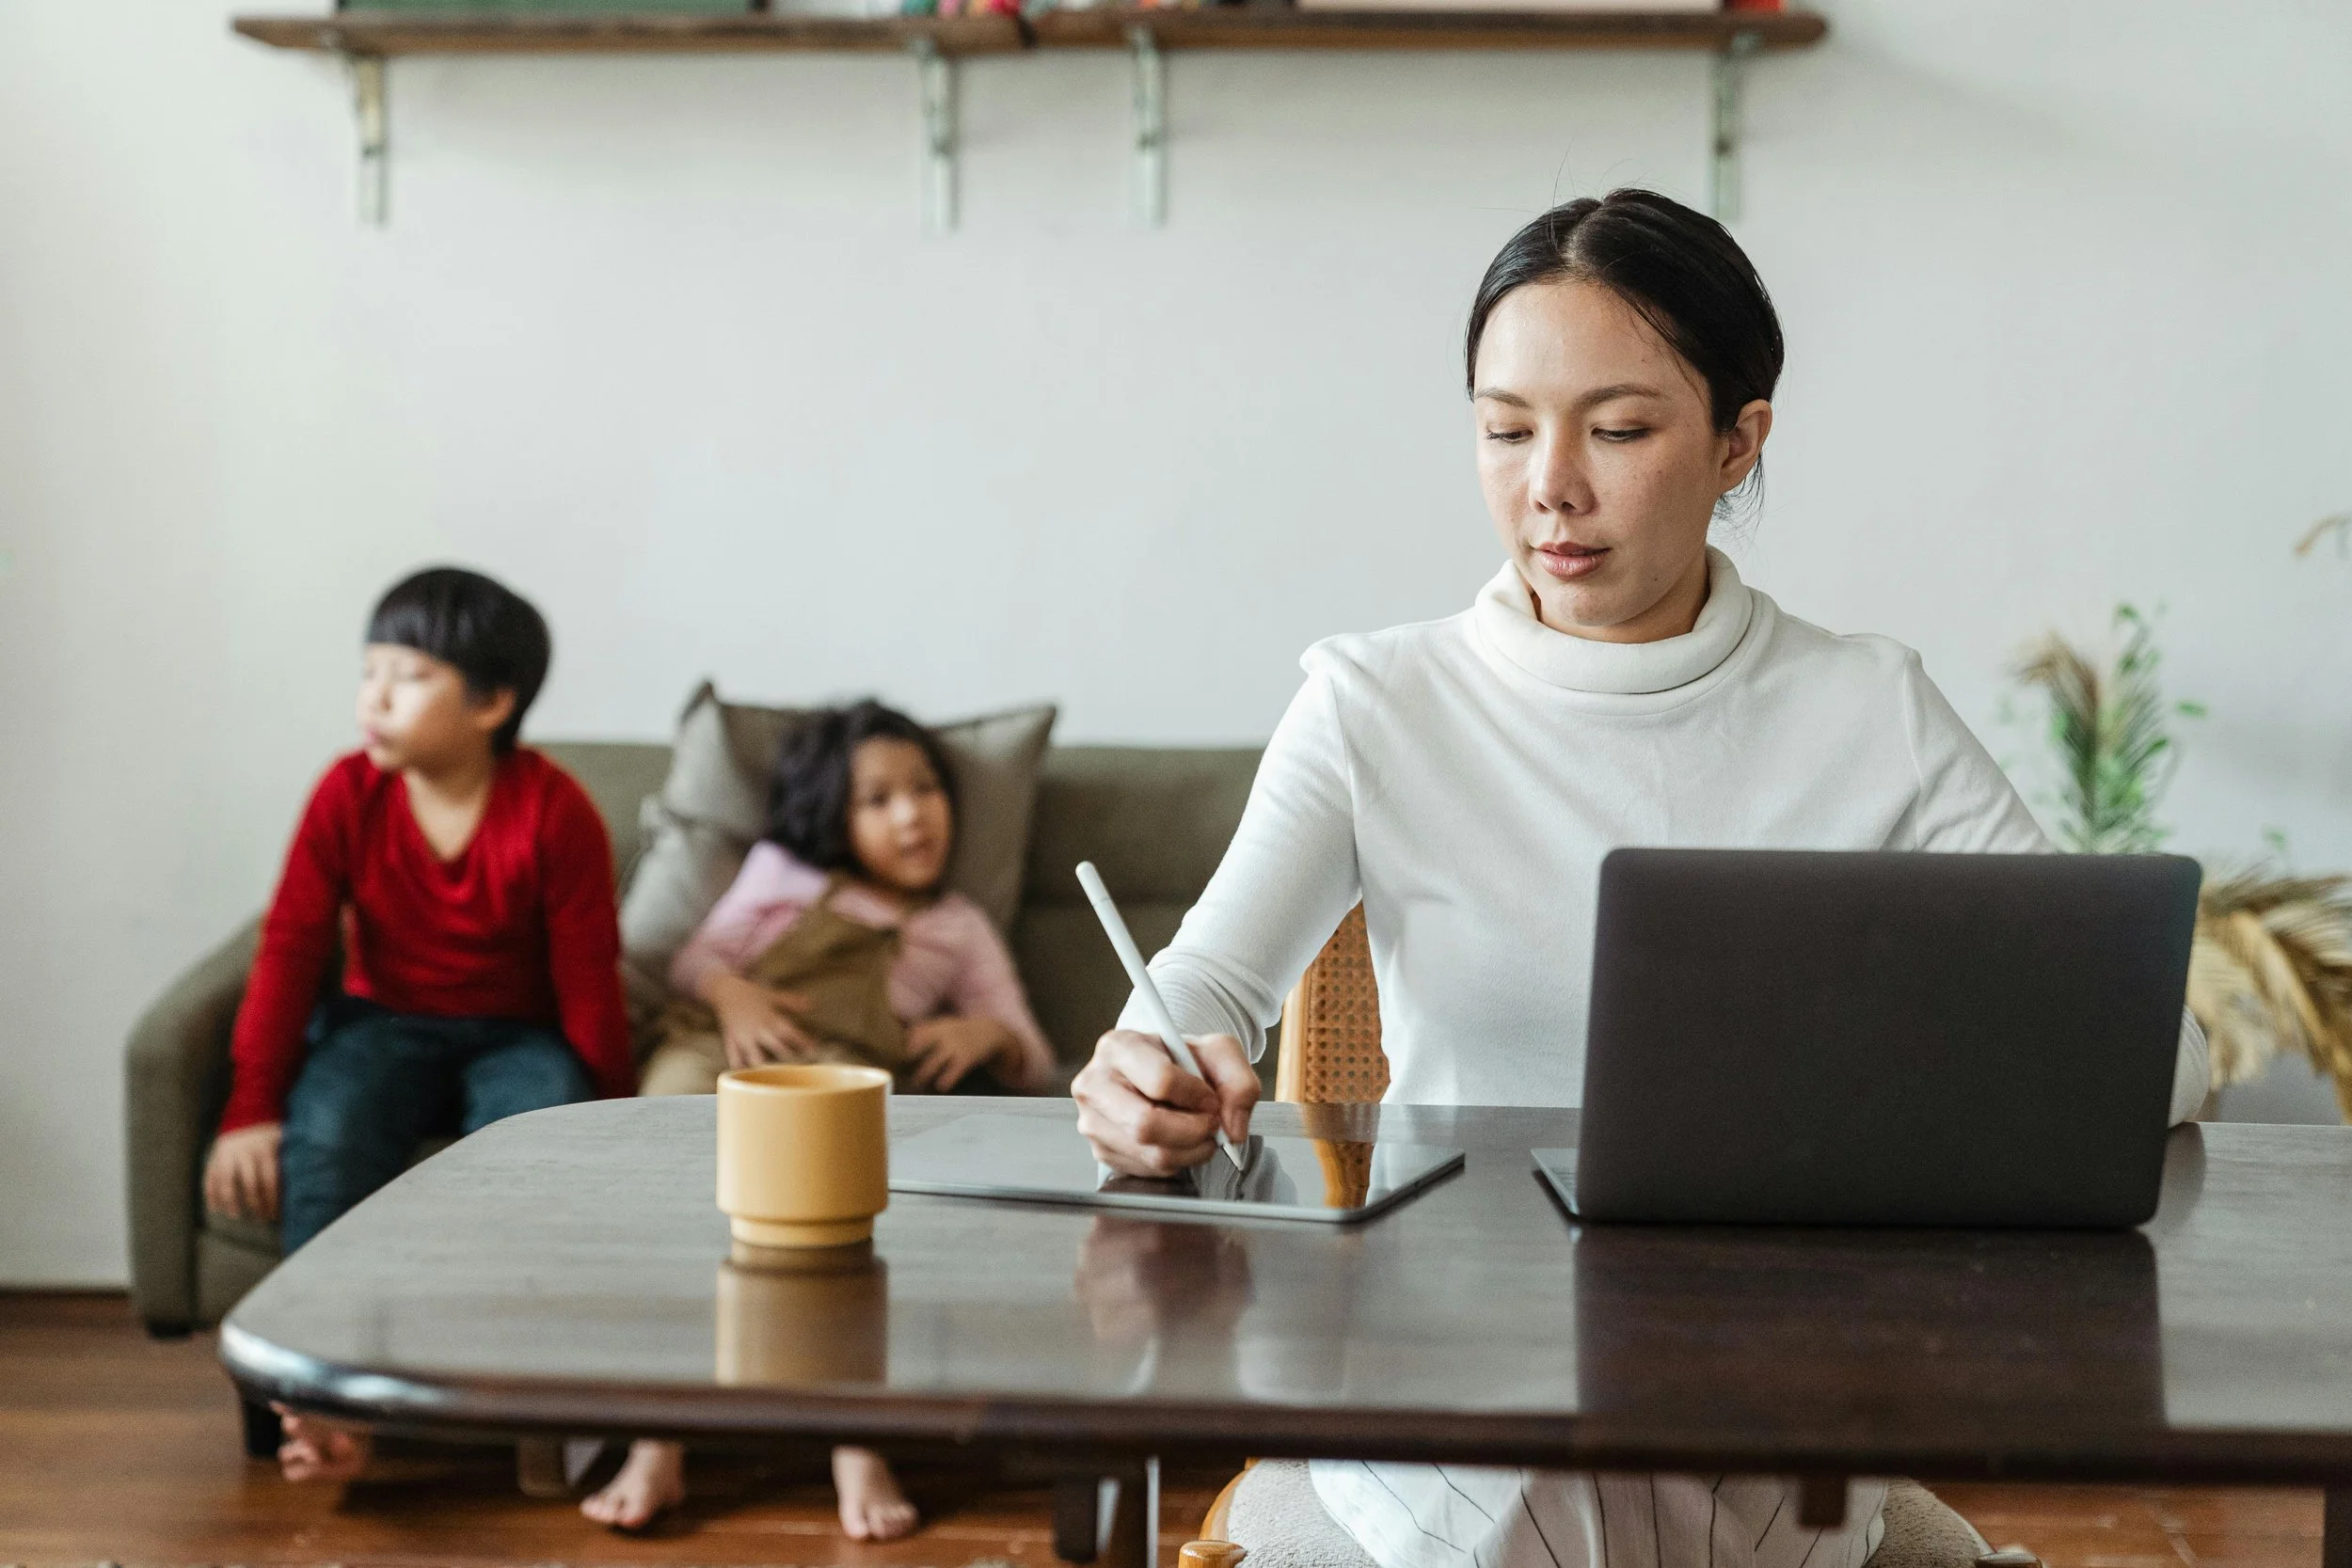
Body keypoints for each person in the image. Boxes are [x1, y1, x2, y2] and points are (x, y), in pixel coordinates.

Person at [1070, 189, 2211, 1568]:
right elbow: (1203, 980)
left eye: (1618, 428)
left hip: (1773, 1386)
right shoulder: (1377, 700)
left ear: (1741, 440)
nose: (1550, 482)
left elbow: (2149, 1050)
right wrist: (1146, 1059)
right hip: (1446, 1381)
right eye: (1504, 427)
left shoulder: (1867, 708)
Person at [202, 566, 637, 1484]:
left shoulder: (554, 811)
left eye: (408, 675)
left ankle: (511, 1389)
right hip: (383, 1019)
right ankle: (322, 1400)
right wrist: (251, 1104)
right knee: (330, 1128)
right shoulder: (346, 794)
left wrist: (618, 1131)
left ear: (492, 703)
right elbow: (288, 949)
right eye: (369, 671)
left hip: (515, 1030)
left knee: (542, 1127)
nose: (375, 696)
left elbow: (589, 982)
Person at [583, 698, 1057, 1536]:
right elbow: (697, 959)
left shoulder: (956, 925)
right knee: (669, 1165)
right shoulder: (780, 874)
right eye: (877, 799)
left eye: (926, 789)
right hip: (722, 1051)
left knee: (828, 1207)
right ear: (829, 815)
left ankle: (857, 1434)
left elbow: (1032, 1050)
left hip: (840, 1079)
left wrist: (984, 1031)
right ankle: (660, 1436)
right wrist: (734, 995)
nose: (912, 813)